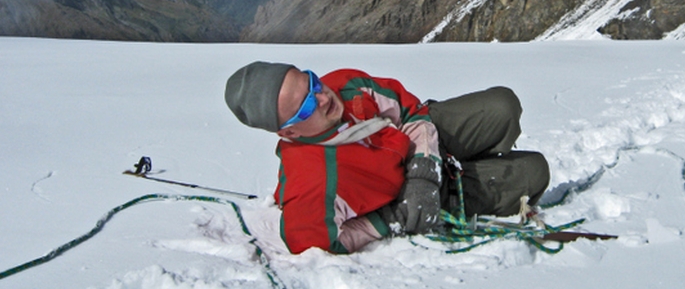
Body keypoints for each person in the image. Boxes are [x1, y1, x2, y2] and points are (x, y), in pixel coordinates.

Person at [224, 62, 550, 254]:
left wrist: (424, 169)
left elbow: (411, 111)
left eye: (311, 82)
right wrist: (392, 218)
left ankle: (468, 159)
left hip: (426, 143)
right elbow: (311, 242)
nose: (323, 98)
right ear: (289, 133)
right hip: (422, 201)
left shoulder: (346, 86)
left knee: (503, 106)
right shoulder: (315, 181)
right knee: (534, 172)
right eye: (306, 106)